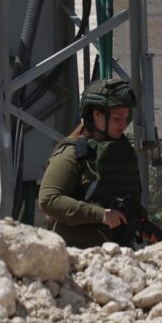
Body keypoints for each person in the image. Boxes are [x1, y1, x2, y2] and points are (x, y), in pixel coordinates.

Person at [39, 78, 143, 248]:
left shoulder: (121, 152)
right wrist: (100, 215)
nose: (123, 124)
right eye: (117, 118)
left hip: (117, 252)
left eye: (126, 118)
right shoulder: (73, 152)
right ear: (96, 115)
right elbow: (49, 200)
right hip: (77, 253)